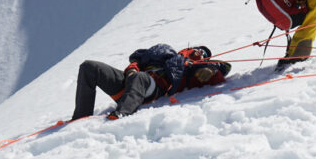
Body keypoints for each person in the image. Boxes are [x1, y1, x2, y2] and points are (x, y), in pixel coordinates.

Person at [71, 44, 230, 121]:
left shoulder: (192, 68)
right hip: (128, 85)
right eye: (199, 49)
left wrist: (211, 70)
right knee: (89, 67)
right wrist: (132, 69)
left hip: (152, 90)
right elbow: (136, 62)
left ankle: (123, 112)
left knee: (139, 77)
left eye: (203, 53)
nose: (199, 52)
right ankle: (81, 115)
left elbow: (223, 67)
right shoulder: (166, 56)